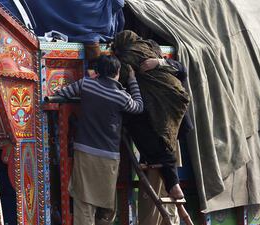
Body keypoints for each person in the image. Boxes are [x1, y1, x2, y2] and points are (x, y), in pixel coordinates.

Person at [55, 55, 144, 225]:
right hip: (109, 156)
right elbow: (139, 107)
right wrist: (132, 80)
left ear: (97, 72)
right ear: (117, 73)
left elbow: (62, 94)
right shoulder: (121, 97)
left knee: (84, 201)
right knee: (106, 205)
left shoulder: (86, 84)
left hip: (84, 152)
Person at [112, 30, 190, 200]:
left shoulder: (126, 57)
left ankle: (173, 185)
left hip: (162, 103)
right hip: (178, 99)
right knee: (165, 140)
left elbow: (117, 80)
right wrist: (159, 62)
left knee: (148, 130)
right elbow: (182, 70)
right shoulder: (152, 47)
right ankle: (171, 182)